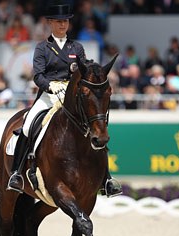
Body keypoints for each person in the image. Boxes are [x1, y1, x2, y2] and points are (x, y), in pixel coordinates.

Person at [7, 3, 122, 197]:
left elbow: (84, 70)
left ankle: (106, 180)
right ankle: (17, 174)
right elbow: (38, 76)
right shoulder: (43, 48)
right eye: (59, 22)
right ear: (50, 23)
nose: (62, 25)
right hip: (49, 95)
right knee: (27, 125)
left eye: (65, 21)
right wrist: (51, 85)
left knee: (94, 128)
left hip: (72, 95)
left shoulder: (76, 47)